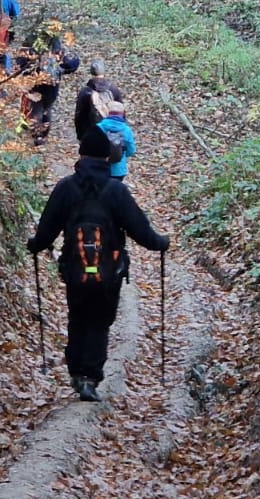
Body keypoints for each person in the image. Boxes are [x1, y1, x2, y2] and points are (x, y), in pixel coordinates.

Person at [28, 125, 169, 402]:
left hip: (75, 268)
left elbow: (47, 230)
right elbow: (140, 228)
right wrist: (160, 243)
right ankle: (90, 377)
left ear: (81, 155)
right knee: (99, 321)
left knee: (78, 317)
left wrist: (35, 245)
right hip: (109, 270)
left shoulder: (66, 188)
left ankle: (76, 372)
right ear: (107, 158)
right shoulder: (116, 190)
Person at [15, 19, 80, 145]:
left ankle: (38, 136)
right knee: (47, 107)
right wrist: (65, 68)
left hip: (34, 81)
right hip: (52, 84)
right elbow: (70, 64)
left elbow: (20, 62)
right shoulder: (56, 45)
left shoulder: (31, 42)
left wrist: (23, 71)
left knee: (35, 107)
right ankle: (43, 133)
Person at [73, 59, 125, 141]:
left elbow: (79, 116)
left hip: (90, 134)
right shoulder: (113, 89)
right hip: (111, 134)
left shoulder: (85, 92)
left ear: (91, 72)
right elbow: (121, 111)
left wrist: (80, 136)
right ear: (104, 72)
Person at [96, 101, 136, 181]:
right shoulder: (127, 130)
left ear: (107, 112)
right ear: (122, 114)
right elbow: (131, 151)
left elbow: (90, 148)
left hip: (99, 168)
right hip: (118, 170)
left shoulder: (98, 127)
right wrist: (120, 154)